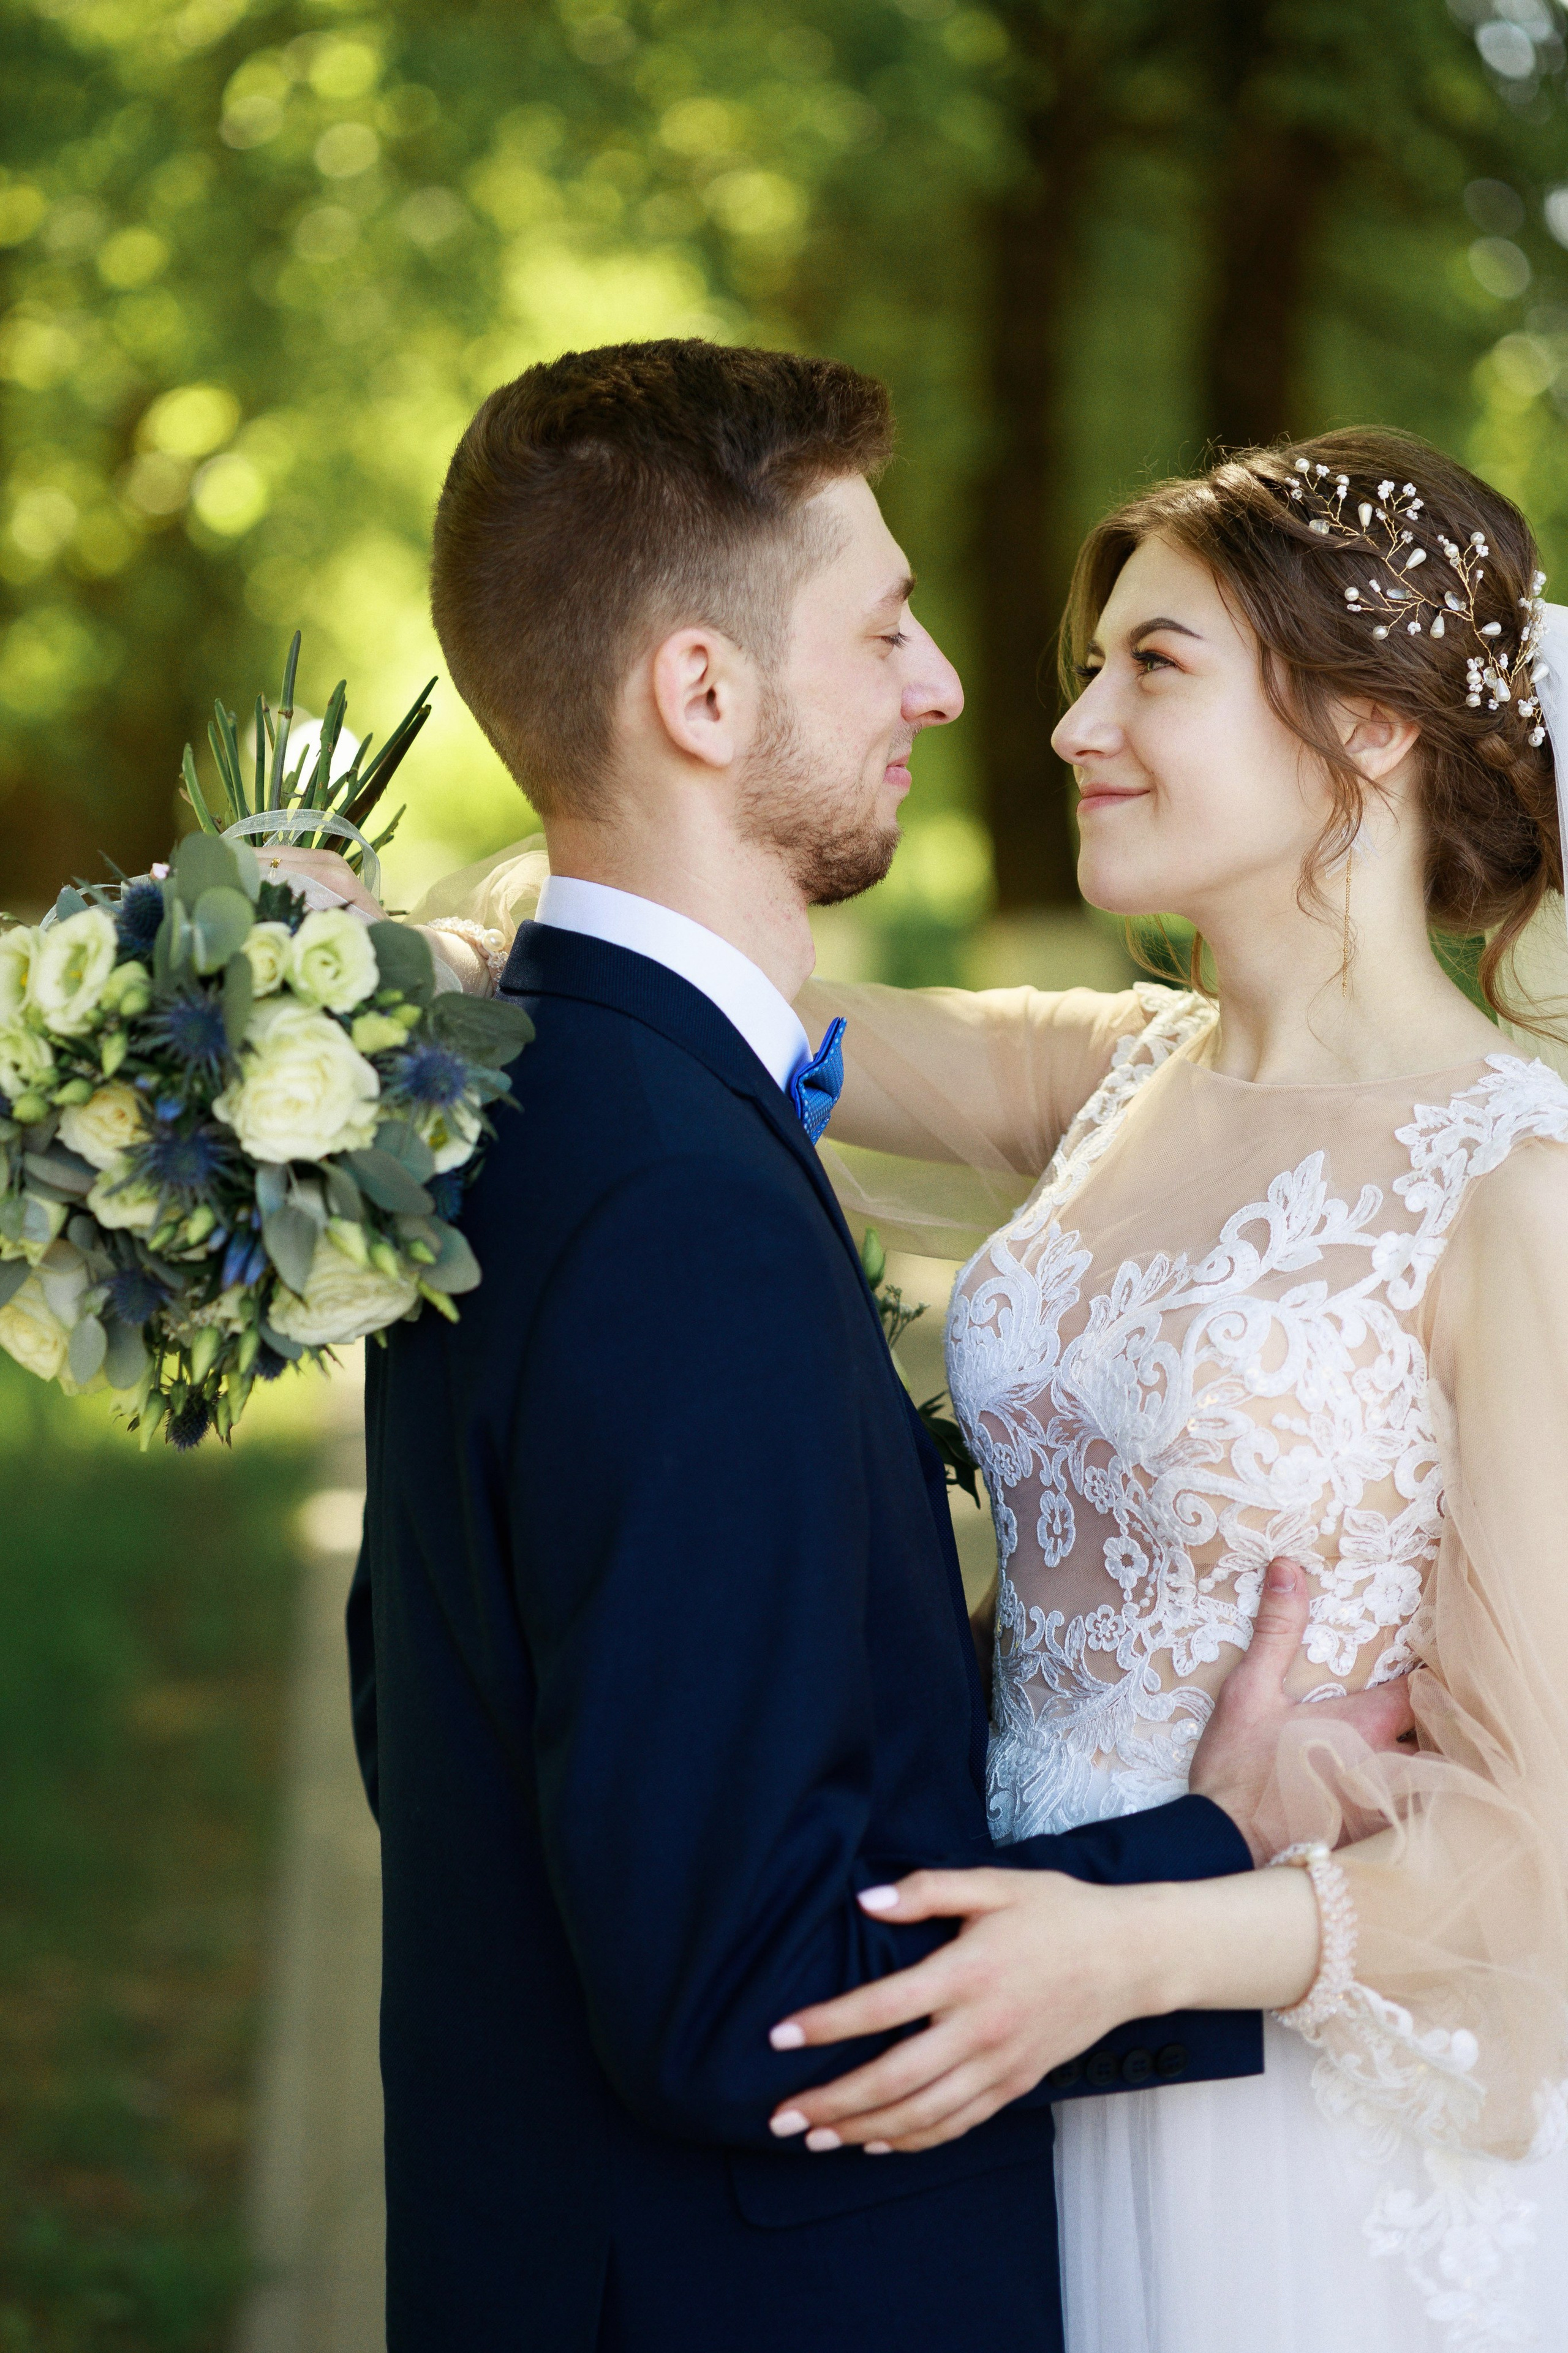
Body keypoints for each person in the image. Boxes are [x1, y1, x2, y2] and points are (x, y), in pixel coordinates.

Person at [413, 420, 1568, 2352]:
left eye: (1157, 667)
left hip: (1275, 2090)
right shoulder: (1103, 1078)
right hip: (1008, 2058)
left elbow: (1538, 1842)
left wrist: (1142, 1936)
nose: (1068, 725)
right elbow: (676, 979)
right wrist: (351, 967)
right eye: (1090, 667)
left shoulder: (1516, 1190)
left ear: (1370, 729)